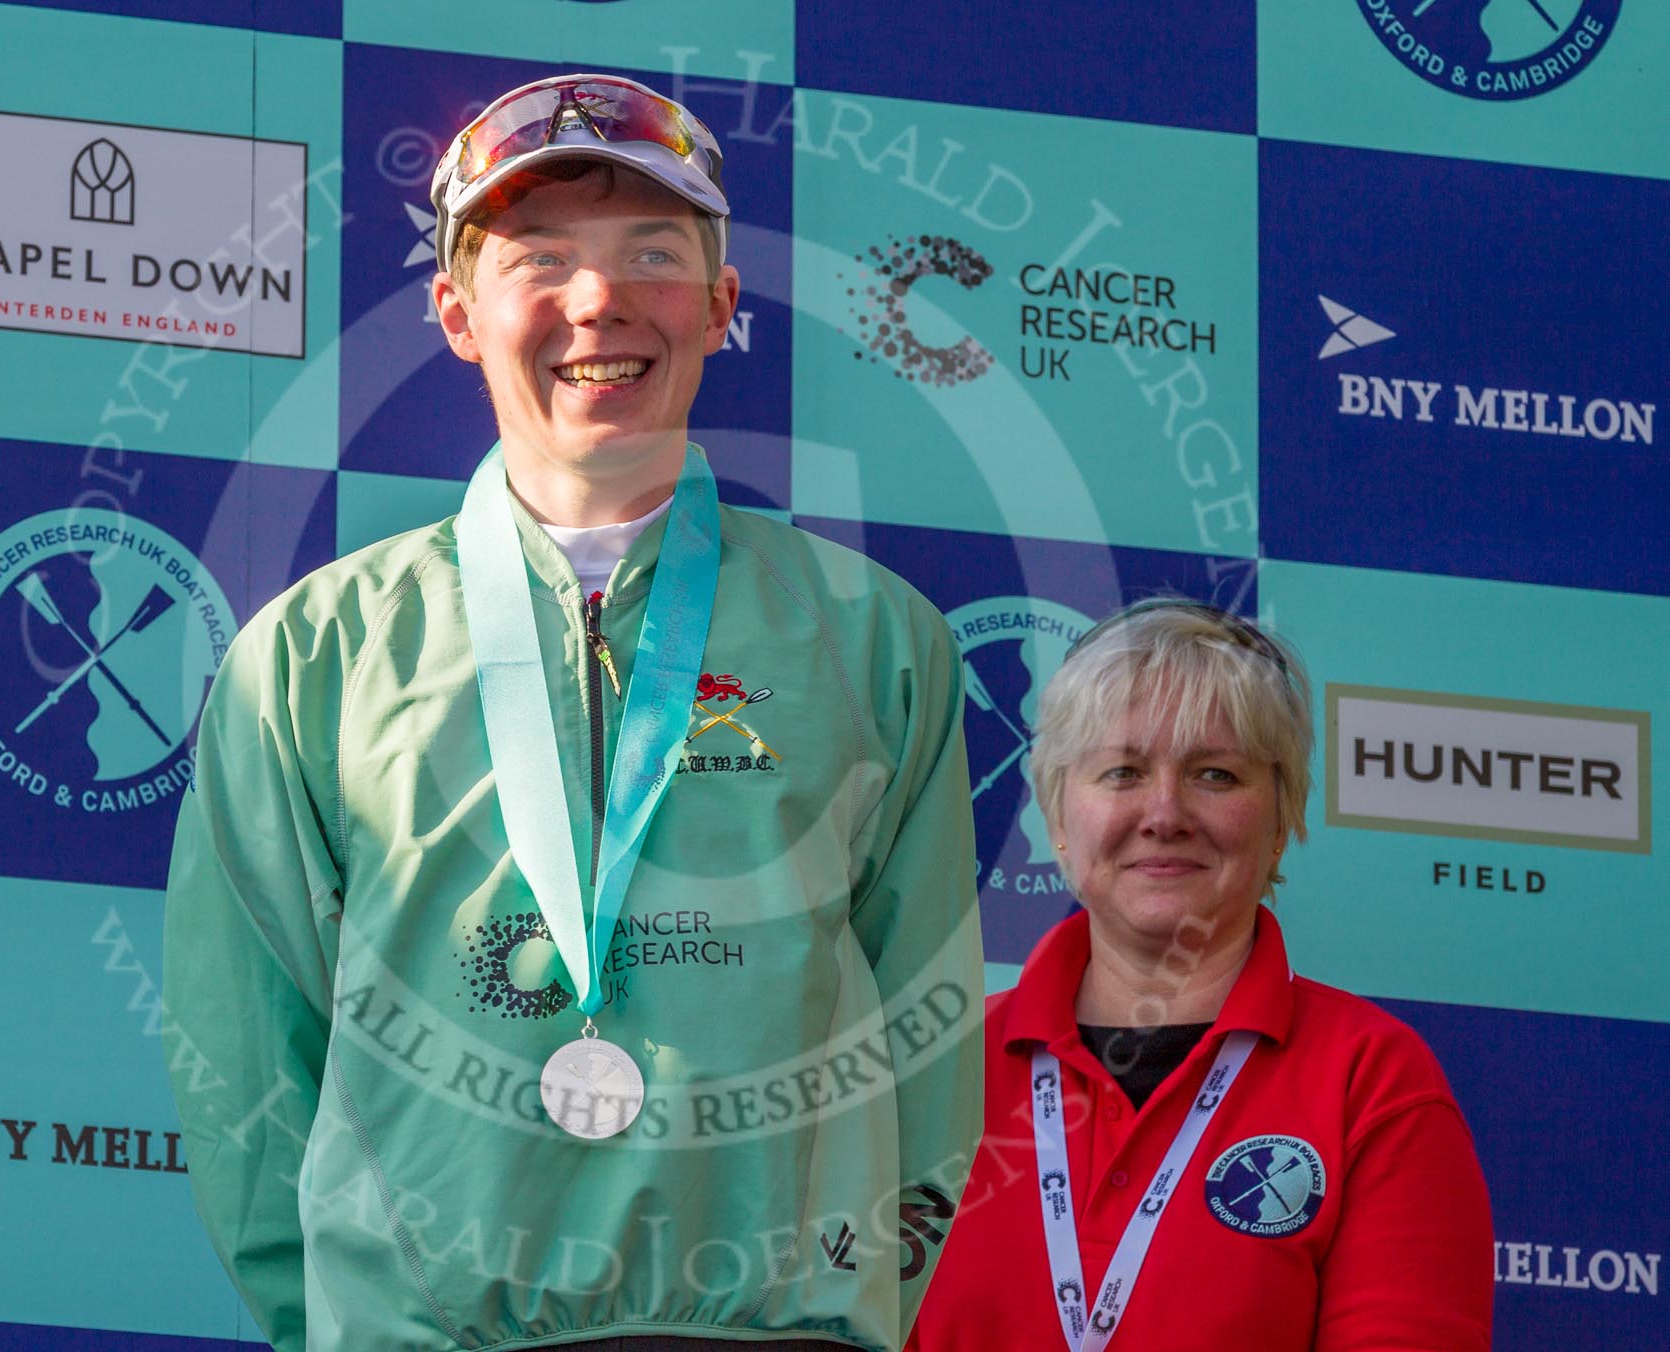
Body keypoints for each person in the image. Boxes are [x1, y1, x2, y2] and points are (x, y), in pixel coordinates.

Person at [163, 73, 983, 1352]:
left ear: (719, 307)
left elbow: (931, 1042)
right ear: (457, 314)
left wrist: (849, 1311)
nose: (599, 300)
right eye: (540, 258)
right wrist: (347, 1319)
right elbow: (248, 1070)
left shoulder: (876, 640)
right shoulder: (311, 657)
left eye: (653, 253)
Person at [909, 599, 1493, 1351]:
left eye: (1214, 774)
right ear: (1057, 817)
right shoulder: (936, 1072)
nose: (1164, 812)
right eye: (1122, 771)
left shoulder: (1370, 1081)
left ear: (1282, 819)